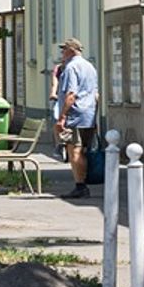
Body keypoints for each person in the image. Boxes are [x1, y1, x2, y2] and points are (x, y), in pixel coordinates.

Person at [55, 37, 100, 198]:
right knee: (83, 150)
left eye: (63, 49)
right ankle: (82, 183)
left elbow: (71, 94)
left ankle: (80, 186)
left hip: (75, 115)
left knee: (75, 150)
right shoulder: (90, 67)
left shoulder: (70, 68)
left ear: (71, 50)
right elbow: (96, 94)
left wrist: (62, 117)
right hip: (89, 114)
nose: (62, 53)